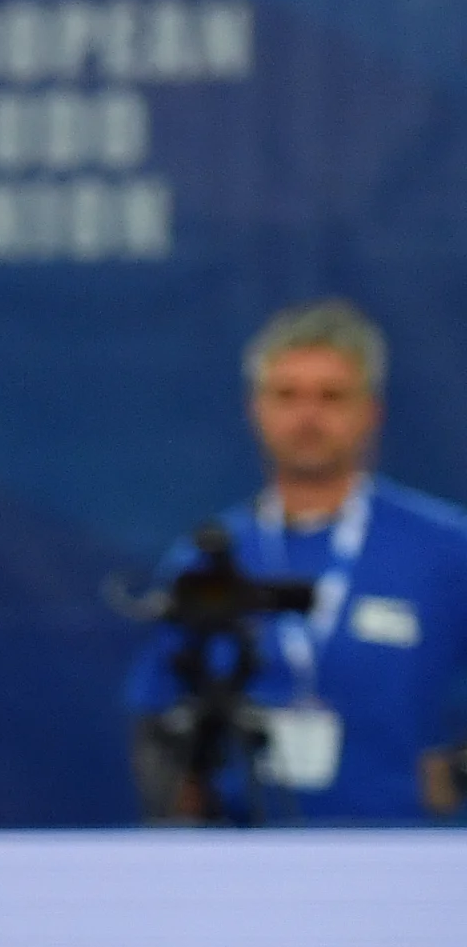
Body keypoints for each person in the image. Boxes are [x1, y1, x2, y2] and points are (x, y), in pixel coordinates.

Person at [128, 301, 467, 822]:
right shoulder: (208, 557)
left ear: (371, 411)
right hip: (244, 864)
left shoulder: (446, 548)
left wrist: (460, 772)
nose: (307, 416)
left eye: (331, 396)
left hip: (401, 860)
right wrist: (182, 823)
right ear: (254, 408)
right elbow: (158, 711)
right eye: (286, 396)